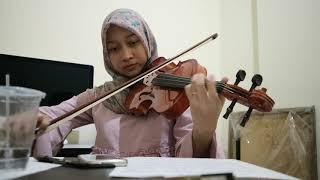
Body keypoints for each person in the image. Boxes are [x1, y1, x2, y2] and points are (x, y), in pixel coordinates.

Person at [34, 8, 227, 158]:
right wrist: (31, 120)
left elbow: (188, 165)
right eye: (114, 48)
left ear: (147, 42)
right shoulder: (101, 97)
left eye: (133, 42)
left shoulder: (174, 93)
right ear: (106, 55)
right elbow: (52, 117)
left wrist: (204, 131)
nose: (126, 55)